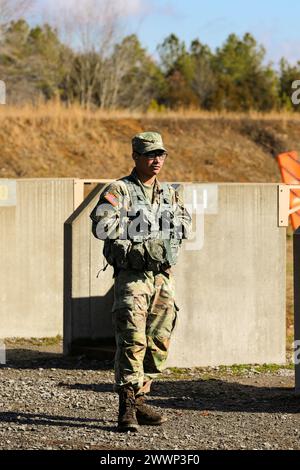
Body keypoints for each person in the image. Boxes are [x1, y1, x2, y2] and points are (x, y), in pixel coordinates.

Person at [90, 131, 191, 432]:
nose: (156, 159)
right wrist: (142, 224)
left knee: (158, 341)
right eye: (150, 154)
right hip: (133, 277)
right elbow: (102, 224)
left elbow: (184, 224)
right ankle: (127, 405)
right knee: (132, 339)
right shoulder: (119, 190)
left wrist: (164, 223)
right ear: (135, 156)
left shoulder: (169, 193)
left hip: (162, 276)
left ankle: (142, 395)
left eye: (160, 154)